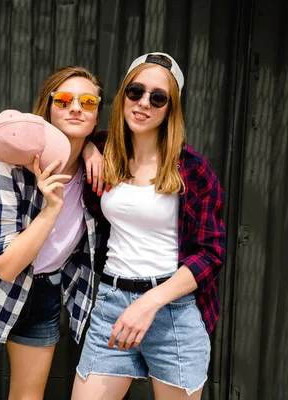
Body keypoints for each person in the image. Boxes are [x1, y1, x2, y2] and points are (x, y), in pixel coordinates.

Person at [0, 66, 105, 400]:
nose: (75, 108)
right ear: (47, 108)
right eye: (64, 100)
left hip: (45, 293)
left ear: (97, 116)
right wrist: (51, 208)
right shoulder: (10, 167)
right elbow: (6, 265)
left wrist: (89, 148)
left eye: (87, 102)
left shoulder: (97, 167)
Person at [72, 52, 226, 399]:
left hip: (173, 310)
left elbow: (211, 254)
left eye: (158, 98)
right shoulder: (105, 152)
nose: (144, 103)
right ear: (124, 94)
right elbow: (69, 134)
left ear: (171, 108)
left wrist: (148, 303)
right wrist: (87, 151)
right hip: (112, 304)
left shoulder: (192, 170)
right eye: (135, 92)